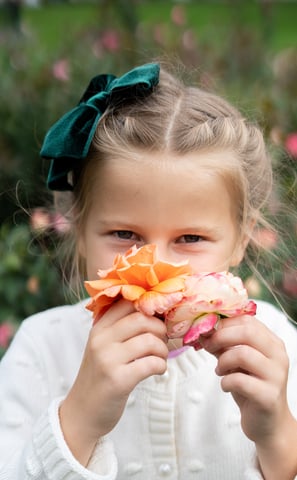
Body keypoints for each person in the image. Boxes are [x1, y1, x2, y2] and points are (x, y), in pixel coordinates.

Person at [0, 62, 296, 480]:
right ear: (80, 229)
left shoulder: (278, 344)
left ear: (241, 239)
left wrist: (278, 435)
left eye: (190, 238)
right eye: (124, 234)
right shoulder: (42, 351)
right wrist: (78, 421)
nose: (156, 268)